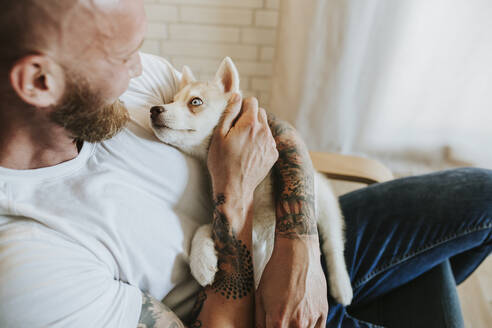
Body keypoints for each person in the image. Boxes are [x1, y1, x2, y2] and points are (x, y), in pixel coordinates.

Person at [0, 1, 489, 328]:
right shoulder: (26, 260)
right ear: (39, 81)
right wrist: (232, 197)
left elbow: (266, 125)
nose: (139, 67)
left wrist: (300, 255)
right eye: (123, 55)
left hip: (292, 241)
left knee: (482, 195)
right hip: (248, 314)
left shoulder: (130, 84)